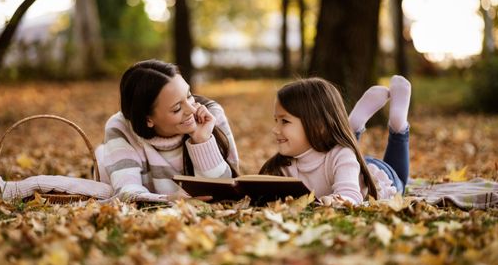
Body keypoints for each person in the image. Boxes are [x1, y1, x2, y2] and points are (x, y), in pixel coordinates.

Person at [96, 59, 239, 202]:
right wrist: (168, 199)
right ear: (148, 119)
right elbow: (127, 192)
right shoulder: (121, 128)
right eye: (177, 108)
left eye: (189, 95)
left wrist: (202, 141)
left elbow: (226, 192)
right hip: (115, 174)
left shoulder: (210, 115)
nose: (192, 109)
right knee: (102, 157)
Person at [259, 76, 411, 205]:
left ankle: (399, 129)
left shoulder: (341, 155)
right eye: (275, 120)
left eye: (284, 121)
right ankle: (352, 129)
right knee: (347, 152)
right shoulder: (284, 164)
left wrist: (335, 201)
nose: (275, 129)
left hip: (376, 175)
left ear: (318, 126)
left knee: (400, 182)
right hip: (351, 163)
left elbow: (350, 195)